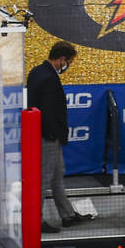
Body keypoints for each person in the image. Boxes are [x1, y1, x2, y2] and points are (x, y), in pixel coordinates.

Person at [26, 41, 93, 233]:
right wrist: (52, 134)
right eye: (69, 62)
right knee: (44, 179)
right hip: (47, 137)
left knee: (57, 175)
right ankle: (35, 221)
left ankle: (67, 215)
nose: (68, 66)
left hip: (45, 135)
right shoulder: (48, 78)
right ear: (62, 59)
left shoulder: (37, 71)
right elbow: (46, 111)